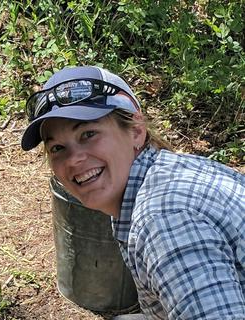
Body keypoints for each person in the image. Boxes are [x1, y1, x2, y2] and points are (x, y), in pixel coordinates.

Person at [21, 65, 245, 319]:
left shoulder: (164, 222)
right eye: (58, 148)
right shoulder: (167, 171)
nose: (73, 160)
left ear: (136, 131)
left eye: (88, 134)